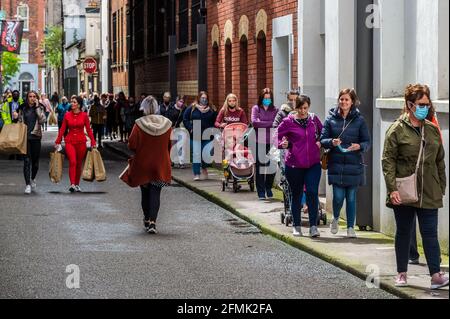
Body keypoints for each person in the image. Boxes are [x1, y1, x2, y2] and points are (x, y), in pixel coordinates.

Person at [382, 84, 448, 290]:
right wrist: (392, 189)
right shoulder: (396, 129)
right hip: (404, 190)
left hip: (429, 190)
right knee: (403, 231)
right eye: (421, 104)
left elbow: (440, 161)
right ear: (410, 104)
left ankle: (435, 275)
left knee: (430, 233)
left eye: (427, 105)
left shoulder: (432, 129)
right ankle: (402, 273)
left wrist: (441, 186)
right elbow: (388, 161)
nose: (425, 108)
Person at [320, 88, 371, 238]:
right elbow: (322, 140)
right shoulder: (330, 119)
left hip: (354, 163)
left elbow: (367, 141)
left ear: (352, 102)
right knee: (337, 197)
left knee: (351, 198)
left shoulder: (359, 120)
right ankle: (335, 218)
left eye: (347, 99)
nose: (343, 102)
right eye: (341, 99)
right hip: (336, 163)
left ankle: (350, 227)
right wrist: (332, 142)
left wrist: (359, 146)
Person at [120, 95, 172, 234]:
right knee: (156, 193)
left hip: (143, 163)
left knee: (145, 193)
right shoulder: (167, 124)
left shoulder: (139, 124)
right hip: (160, 163)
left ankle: (147, 218)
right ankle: (153, 223)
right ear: (156, 107)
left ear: (143, 107)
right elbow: (169, 144)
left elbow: (132, 144)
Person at [277, 95, 323, 237]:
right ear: (295, 108)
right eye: (300, 108)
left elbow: (323, 134)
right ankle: (297, 226)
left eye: (305, 108)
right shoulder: (287, 122)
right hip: (294, 165)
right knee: (296, 194)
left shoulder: (314, 120)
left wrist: (321, 142)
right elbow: (277, 137)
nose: (303, 111)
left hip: (313, 164)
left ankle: (313, 226)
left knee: (312, 193)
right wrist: (285, 143)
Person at [55, 96, 96, 193]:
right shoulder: (67, 115)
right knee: (72, 161)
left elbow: (89, 130)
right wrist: (58, 140)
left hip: (81, 142)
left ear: (79, 104)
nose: (72, 104)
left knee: (78, 164)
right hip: (69, 141)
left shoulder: (84, 116)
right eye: (71, 102)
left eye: (74, 102)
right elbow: (63, 129)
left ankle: (77, 184)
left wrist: (93, 141)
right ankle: (72, 184)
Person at [13, 91, 47, 194]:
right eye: (30, 96)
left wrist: (37, 108)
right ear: (27, 98)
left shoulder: (40, 107)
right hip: (25, 138)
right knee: (27, 161)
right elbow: (19, 121)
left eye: (34, 96)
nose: (32, 98)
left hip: (36, 137)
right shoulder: (22, 108)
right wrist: (15, 117)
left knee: (35, 162)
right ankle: (27, 184)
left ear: (36, 98)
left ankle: (33, 178)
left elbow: (42, 120)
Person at [183, 91, 217, 181]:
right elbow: (185, 118)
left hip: (208, 134)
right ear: (198, 98)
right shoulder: (192, 107)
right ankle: (196, 173)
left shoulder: (212, 109)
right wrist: (190, 128)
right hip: (195, 134)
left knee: (206, 154)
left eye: (205, 98)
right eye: (202, 98)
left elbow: (216, 121)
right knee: (196, 154)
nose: (204, 99)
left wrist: (214, 129)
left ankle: (204, 168)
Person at [251, 88, 278, 200]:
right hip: (260, 142)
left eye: (269, 98)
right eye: (265, 98)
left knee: (272, 167)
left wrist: (263, 123)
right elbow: (254, 123)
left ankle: (268, 188)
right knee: (261, 167)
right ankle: (261, 192)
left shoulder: (275, 110)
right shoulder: (256, 108)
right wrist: (270, 123)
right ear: (261, 98)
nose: (267, 100)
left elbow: (277, 124)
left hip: (272, 142)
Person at [165, 95, 187, 168]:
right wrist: (171, 125)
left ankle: (181, 162)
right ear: (176, 101)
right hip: (172, 129)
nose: (182, 103)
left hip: (181, 129)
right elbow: (167, 118)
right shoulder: (171, 108)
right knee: (172, 146)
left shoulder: (184, 109)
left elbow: (186, 118)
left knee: (181, 146)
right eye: (180, 101)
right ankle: (172, 161)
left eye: (183, 102)